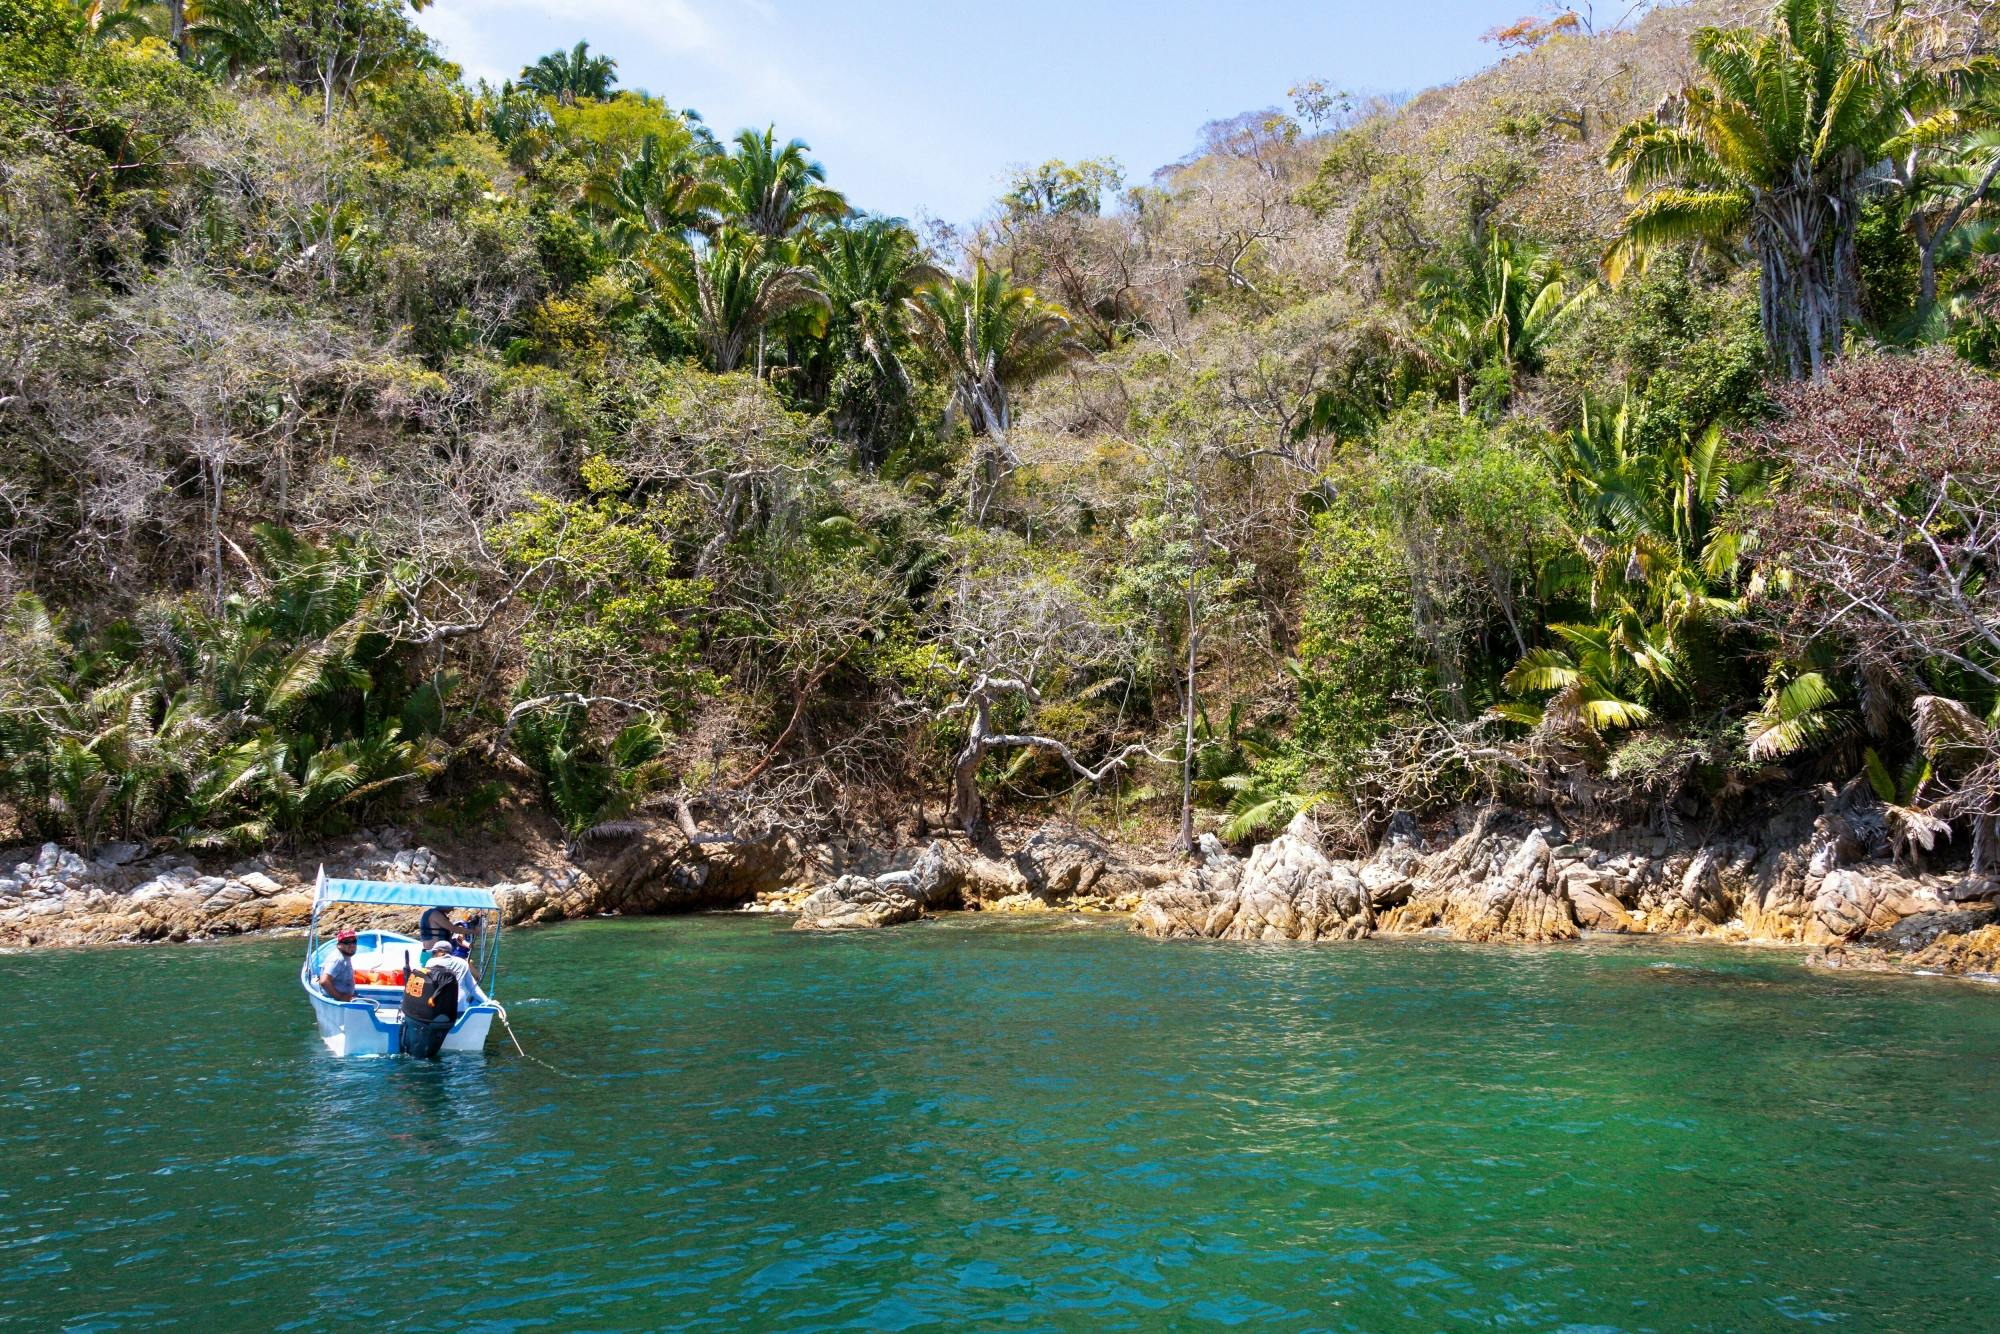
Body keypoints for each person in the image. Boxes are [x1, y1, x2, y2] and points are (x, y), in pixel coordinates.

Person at [399, 939, 466, 1059]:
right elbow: (473, 988)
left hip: (423, 1015)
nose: (432, 955)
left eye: (434, 952)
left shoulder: (431, 962)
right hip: (452, 1011)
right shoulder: (463, 964)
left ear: (440, 952)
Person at [317, 928, 358, 1001]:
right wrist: (340, 997)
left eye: (354, 941)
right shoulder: (337, 960)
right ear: (339, 945)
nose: (352, 945)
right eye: (347, 942)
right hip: (336, 1000)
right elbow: (324, 981)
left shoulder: (345, 955)